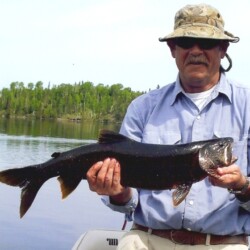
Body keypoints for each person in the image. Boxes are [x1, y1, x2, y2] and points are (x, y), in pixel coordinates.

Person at [87, 3, 250, 250]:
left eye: (205, 43)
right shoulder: (142, 108)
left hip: (224, 243)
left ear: (223, 48)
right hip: (147, 239)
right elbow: (128, 202)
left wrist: (242, 186)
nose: (196, 51)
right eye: (185, 42)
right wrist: (116, 192)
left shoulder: (247, 105)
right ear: (173, 49)